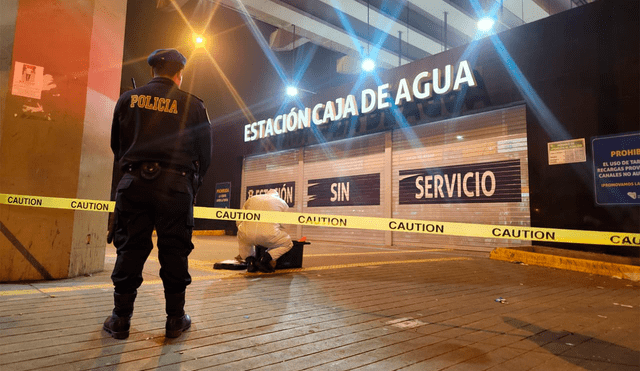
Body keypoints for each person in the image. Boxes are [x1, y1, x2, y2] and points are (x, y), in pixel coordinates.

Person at [104, 49, 212, 339]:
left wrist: (131, 170)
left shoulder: (127, 99)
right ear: (179, 75)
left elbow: (117, 145)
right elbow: (206, 153)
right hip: (176, 184)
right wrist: (191, 185)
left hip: (133, 182)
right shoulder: (194, 104)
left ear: (153, 72)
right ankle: (175, 320)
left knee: (129, 250)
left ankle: (120, 320)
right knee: (174, 251)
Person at [237, 189, 293, 273]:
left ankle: (250, 262)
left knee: (243, 239)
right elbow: (285, 225)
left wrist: (241, 228)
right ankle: (265, 259)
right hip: (269, 235)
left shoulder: (252, 199)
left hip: (247, 234)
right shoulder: (282, 203)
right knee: (288, 243)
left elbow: (239, 218)